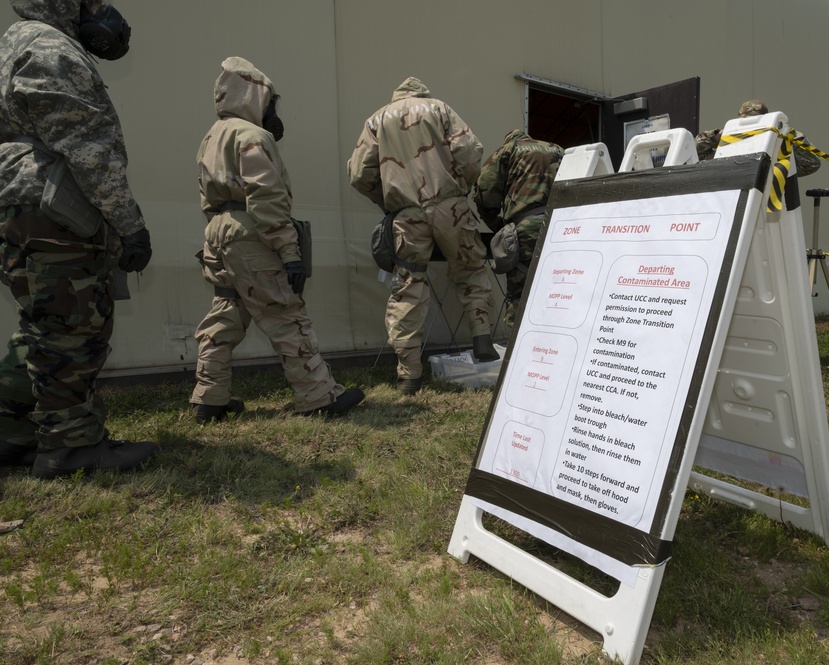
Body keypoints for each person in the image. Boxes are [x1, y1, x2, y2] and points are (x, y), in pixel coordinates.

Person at [0, 0, 157, 478]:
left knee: (41, 326)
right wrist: (129, 224)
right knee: (75, 328)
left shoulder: (12, 43)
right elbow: (91, 149)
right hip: (54, 208)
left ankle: (11, 433)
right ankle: (72, 448)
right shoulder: (53, 47)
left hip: (16, 202)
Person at [189, 57, 364, 422]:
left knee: (225, 314)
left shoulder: (211, 136)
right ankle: (318, 397)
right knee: (284, 313)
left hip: (218, 232)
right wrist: (289, 253)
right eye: (270, 101)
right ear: (253, 96)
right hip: (251, 231)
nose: (273, 110)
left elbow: (207, 196)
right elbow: (267, 199)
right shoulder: (253, 136)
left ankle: (210, 398)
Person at [348, 77, 499, 396]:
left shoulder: (377, 119)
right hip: (450, 207)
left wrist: (386, 199)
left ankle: (408, 375)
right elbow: (471, 152)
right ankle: (482, 339)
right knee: (470, 271)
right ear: (422, 92)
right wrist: (461, 188)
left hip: (406, 214)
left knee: (408, 286)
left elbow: (359, 173)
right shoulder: (440, 108)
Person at [473, 129, 563, 327]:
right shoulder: (557, 150)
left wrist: (495, 224)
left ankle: (518, 350)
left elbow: (485, 191)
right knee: (556, 291)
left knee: (520, 295)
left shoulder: (508, 150)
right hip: (560, 228)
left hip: (527, 227)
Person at [695, 99, 821, 177]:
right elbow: (695, 158)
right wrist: (716, 137)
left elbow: (813, 163)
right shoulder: (729, 150)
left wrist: (788, 136)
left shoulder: (776, 150)